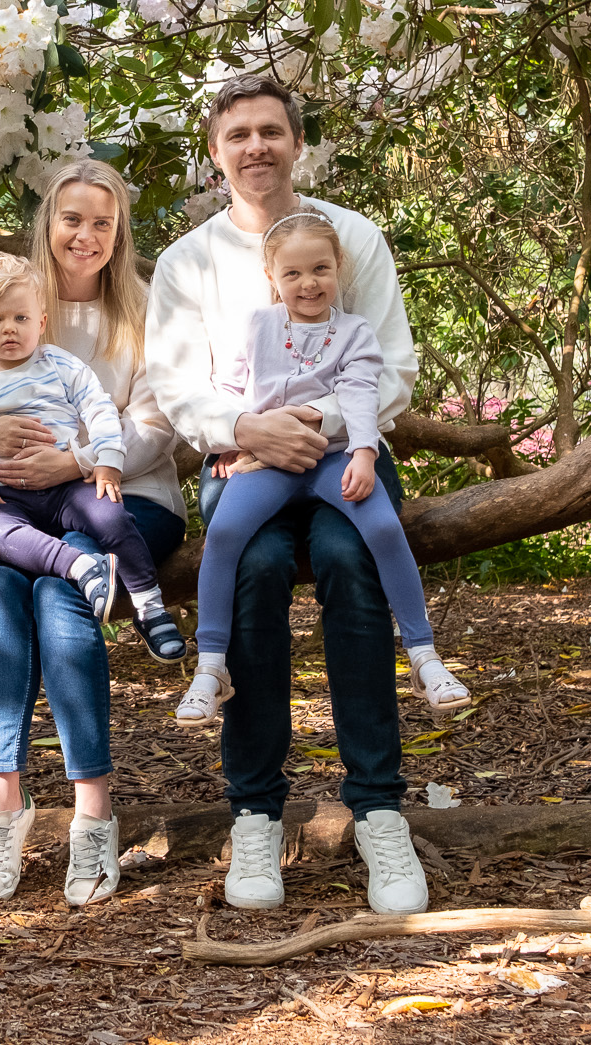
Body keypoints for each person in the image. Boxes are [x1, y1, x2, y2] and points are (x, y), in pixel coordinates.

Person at [146, 71, 432, 916]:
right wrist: (247, 429)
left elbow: (396, 368)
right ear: (215, 154)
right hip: (243, 465)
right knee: (257, 570)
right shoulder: (187, 261)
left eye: (271, 131)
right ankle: (257, 815)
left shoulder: (353, 239)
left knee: (350, 560)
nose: (255, 148)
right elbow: (174, 384)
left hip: (347, 456)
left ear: (297, 142)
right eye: (238, 136)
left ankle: (379, 809)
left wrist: (314, 421)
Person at [0, 159, 188, 908]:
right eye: (71, 219)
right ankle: (2, 803)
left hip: (126, 497)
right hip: (26, 501)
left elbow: (159, 424)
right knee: (3, 586)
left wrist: (79, 457)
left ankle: (93, 811)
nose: (84, 235)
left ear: (119, 231)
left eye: (102, 221)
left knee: (60, 596)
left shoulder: (142, 307)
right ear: (47, 223)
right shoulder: (11, 300)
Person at [174, 210, 468, 727]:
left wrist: (363, 453)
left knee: (380, 525)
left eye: (320, 270)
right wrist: (230, 436)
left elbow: (360, 395)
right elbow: (229, 386)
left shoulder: (354, 333)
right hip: (269, 460)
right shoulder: (259, 326)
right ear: (272, 277)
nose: (308, 284)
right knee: (225, 534)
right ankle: (211, 665)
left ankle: (424, 654)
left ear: (338, 269)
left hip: (333, 456)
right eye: (292, 274)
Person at [0, 252, 174, 634]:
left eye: (21, 319)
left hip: (67, 487)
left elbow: (102, 409)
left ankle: (150, 605)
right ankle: (77, 565)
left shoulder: (60, 365)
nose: (9, 329)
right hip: (8, 496)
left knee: (108, 513)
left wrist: (104, 459)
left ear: (41, 322)